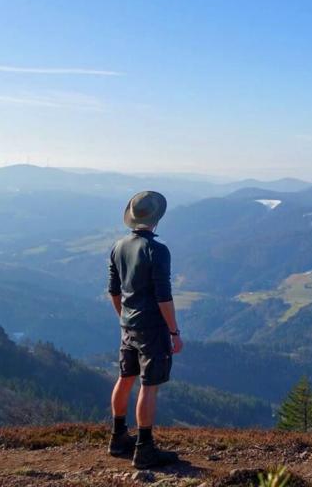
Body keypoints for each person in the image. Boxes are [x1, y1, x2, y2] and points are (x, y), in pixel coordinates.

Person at [107, 191, 183, 469]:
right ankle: (145, 449)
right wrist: (174, 332)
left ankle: (117, 439)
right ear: (156, 219)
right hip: (152, 327)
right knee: (149, 386)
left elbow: (113, 291)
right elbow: (163, 296)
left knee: (125, 377)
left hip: (128, 324)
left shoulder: (118, 246)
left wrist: (124, 317)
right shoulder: (158, 250)